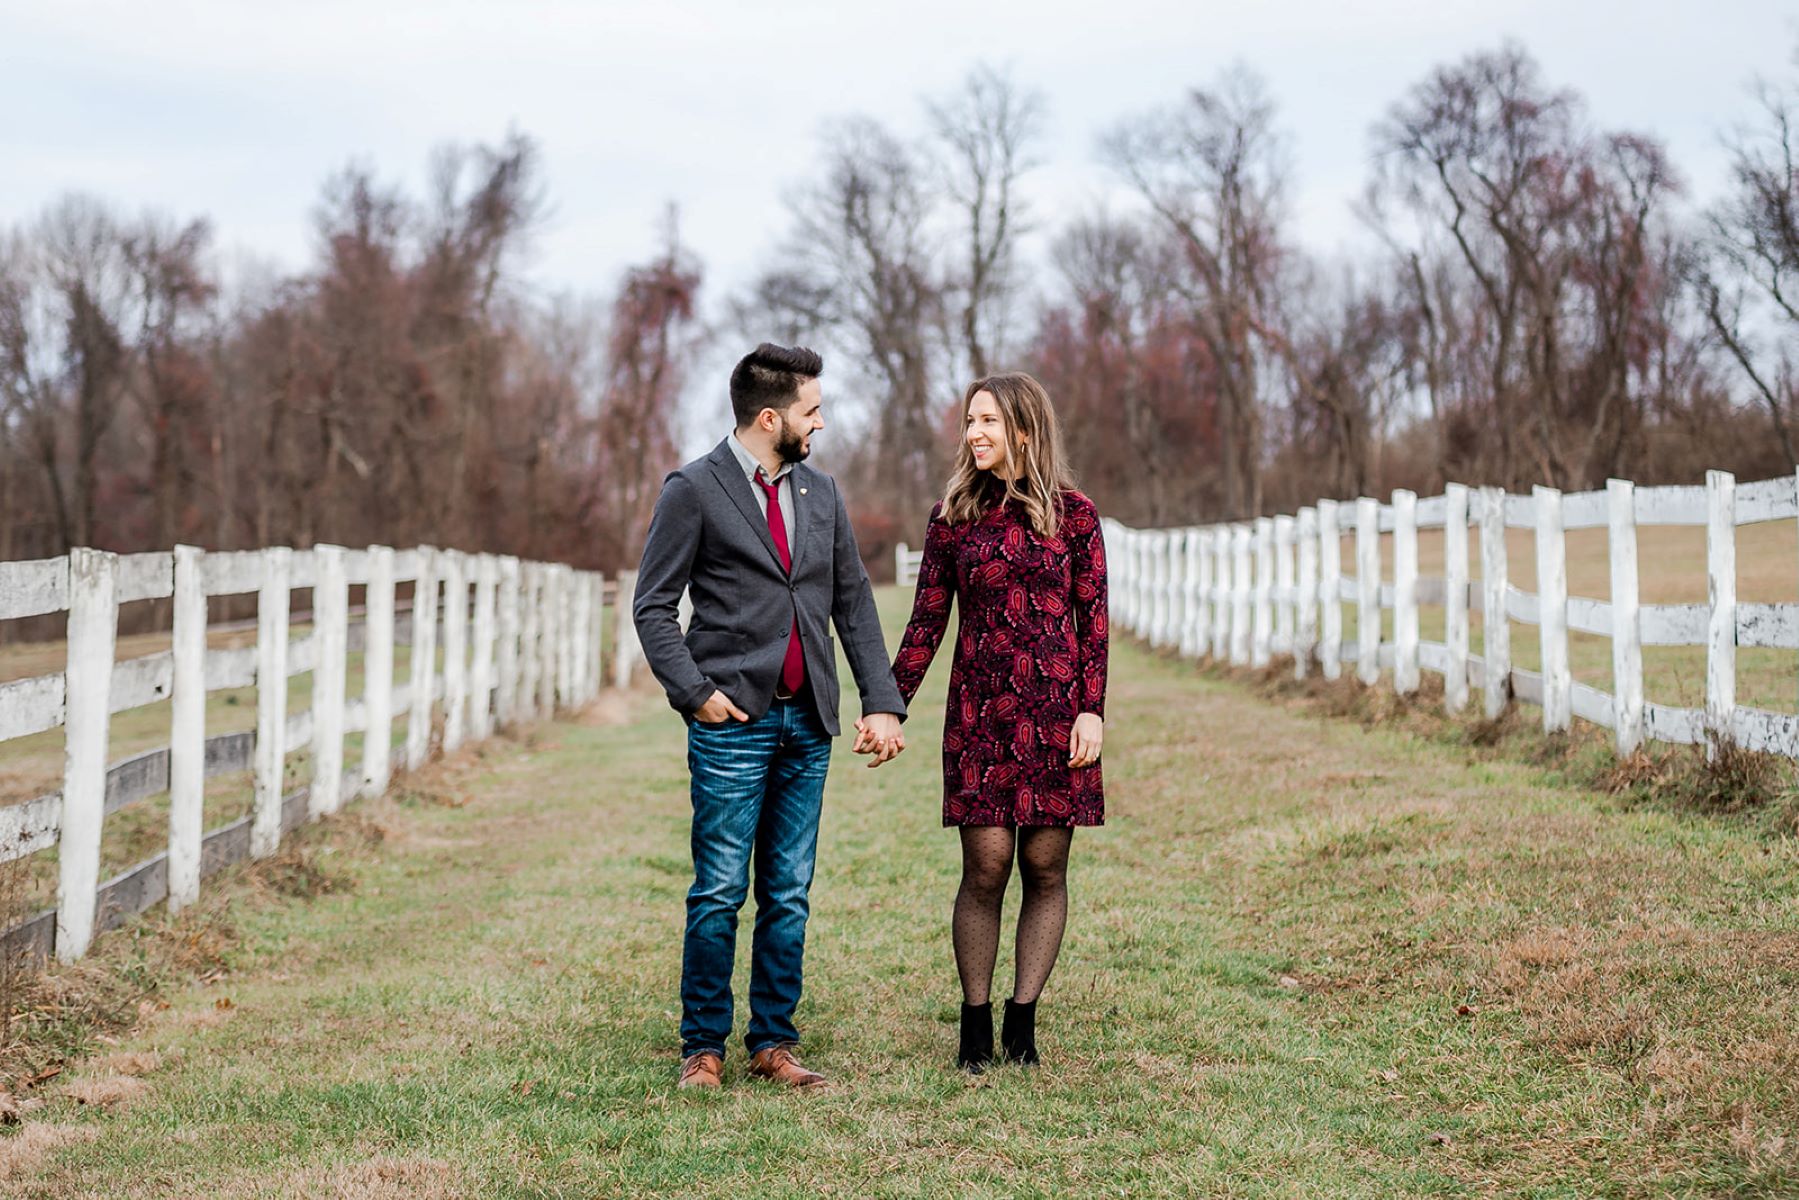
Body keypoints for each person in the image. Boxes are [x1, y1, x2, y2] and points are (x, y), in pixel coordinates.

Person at [634, 343, 907, 1091]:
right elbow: (653, 607)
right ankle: (702, 1048)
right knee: (719, 887)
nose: (819, 423)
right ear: (769, 417)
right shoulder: (692, 489)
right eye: (810, 411)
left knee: (787, 890)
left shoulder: (822, 495)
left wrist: (880, 701)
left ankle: (773, 1043)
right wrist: (694, 692)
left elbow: (851, 603)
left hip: (807, 721)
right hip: (731, 723)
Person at [885, 371, 1108, 1073]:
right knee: (986, 865)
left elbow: (1092, 619)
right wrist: (890, 703)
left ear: (1023, 429)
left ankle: (1022, 1022)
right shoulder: (951, 517)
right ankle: (973, 1023)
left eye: (986, 421)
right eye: (968, 422)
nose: (973, 434)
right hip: (981, 714)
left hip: (1056, 717)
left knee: (1045, 866)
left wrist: (1091, 708)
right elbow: (926, 620)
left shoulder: (1074, 515)